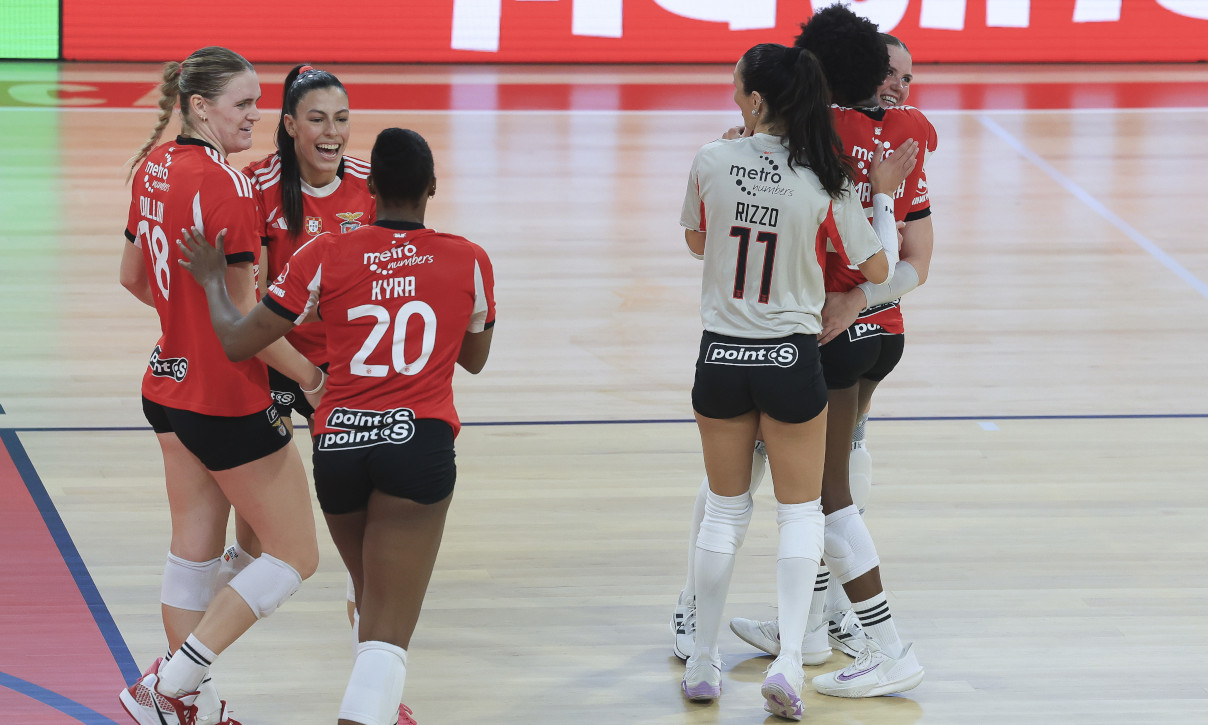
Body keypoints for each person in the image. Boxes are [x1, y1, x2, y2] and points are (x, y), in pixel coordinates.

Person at [178, 127, 495, 725]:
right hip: (416, 445)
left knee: (371, 595)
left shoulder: (325, 253)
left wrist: (214, 282)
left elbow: (237, 338)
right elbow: (473, 359)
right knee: (386, 635)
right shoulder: (469, 257)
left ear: (370, 189)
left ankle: (375, 707)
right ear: (431, 187)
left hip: (340, 444)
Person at [677, 42, 906, 720]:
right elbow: (872, 267)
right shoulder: (825, 178)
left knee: (723, 513)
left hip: (720, 357)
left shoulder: (711, 159)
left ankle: (701, 661)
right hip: (789, 360)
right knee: (800, 514)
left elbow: (697, 241)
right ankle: (787, 666)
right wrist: (882, 200)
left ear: (754, 102)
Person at [727, 7, 936, 699]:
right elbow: (911, 263)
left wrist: (744, 145)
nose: (904, 86)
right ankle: (814, 626)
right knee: (842, 464)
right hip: (885, 332)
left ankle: (882, 643)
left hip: (829, 334)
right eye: (896, 73)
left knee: (822, 494)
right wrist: (865, 297)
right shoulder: (911, 134)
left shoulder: (814, 137)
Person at [117, 46, 322, 725]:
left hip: (166, 381)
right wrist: (316, 378)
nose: (255, 115)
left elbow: (134, 279)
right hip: (225, 397)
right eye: (242, 103)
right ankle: (172, 684)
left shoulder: (151, 169)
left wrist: (186, 322)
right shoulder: (228, 188)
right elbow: (247, 327)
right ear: (199, 105)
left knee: (194, 558)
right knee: (294, 553)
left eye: (258, 102)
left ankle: (183, 707)